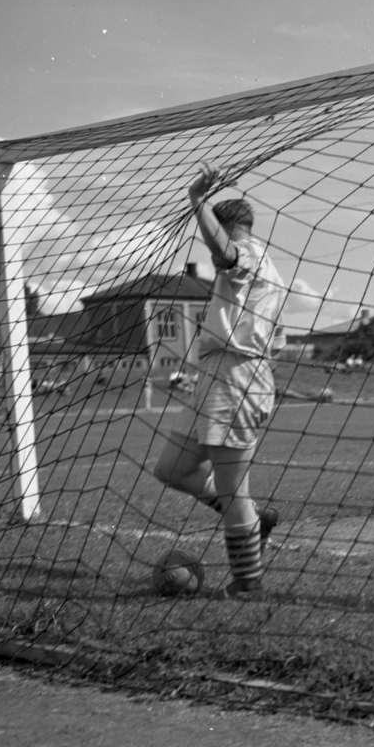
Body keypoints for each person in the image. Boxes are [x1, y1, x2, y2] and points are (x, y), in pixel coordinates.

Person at [153, 163, 285, 600]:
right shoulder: (250, 279)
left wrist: (196, 201)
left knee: (233, 491)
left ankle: (249, 583)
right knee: (171, 469)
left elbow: (227, 252)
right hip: (214, 378)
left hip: (235, 379)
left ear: (230, 227)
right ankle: (253, 519)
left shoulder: (250, 254)